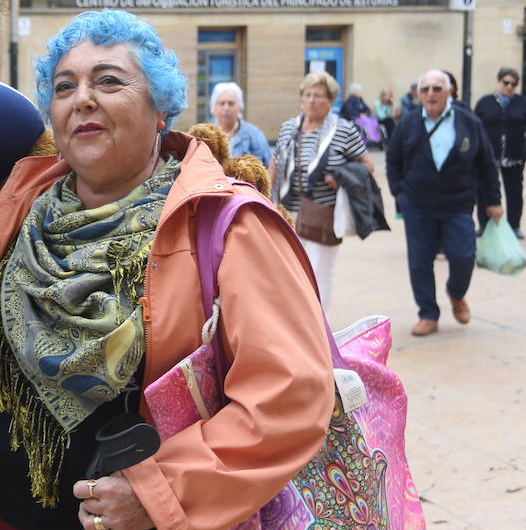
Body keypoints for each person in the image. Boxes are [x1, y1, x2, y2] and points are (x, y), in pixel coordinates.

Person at [0, 10, 333, 530]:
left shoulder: (226, 223)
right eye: (66, 85)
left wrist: (158, 494)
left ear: (162, 110)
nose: (82, 100)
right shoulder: (26, 205)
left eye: (109, 81)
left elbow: (291, 396)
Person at [386, 69, 501, 337]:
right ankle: (428, 313)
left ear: (449, 91)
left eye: (437, 88)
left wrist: (493, 200)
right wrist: (399, 192)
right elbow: (393, 159)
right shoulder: (408, 123)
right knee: (419, 261)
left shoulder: (469, 122)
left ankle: (456, 293)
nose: (430, 94)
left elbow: (487, 164)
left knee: (463, 256)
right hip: (417, 204)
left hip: (458, 204)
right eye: (425, 89)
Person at [269, 70, 376, 310]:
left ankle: (319, 326)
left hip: (323, 212)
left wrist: (342, 177)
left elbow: (367, 166)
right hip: (287, 211)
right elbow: (275, 161)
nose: (311, 101)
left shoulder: (344, 130)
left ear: (330, 101)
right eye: (307, 95)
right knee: (289, 271)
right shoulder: (289, 127)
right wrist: (267, 196)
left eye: (318, 96)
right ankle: (295, 323)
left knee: (319, 273)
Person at [473, 67, 526, 239]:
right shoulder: (485, 102)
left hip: (514, 155)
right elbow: (474, 125)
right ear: (498, 82)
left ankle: (514, 226)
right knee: (485, 191)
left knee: (514, 192)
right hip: (489, 156)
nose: (510, 87)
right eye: (506, 83)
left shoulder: (522, 102)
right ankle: (484, 225)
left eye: (514, 84)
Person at [208, 80, 270, 165]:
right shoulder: (207, 136)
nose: (226, 108)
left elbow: (267, 168)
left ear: (239, 107)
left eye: (231, 103)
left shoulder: (255, 135)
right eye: (222, 103)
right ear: (214, 107)